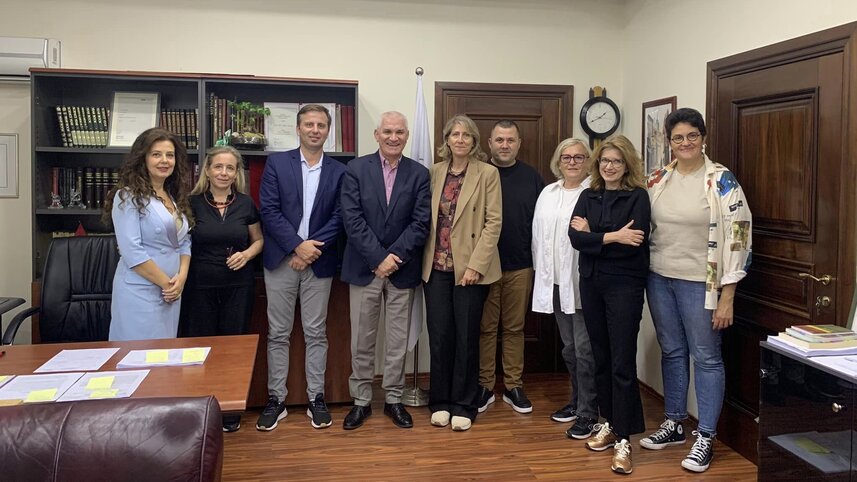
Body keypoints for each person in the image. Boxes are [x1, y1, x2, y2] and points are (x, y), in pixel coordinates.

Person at [640, 107, 752, 473]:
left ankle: (705, 435)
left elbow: (739, 236)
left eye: (692, 136)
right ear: (668, 142)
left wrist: (728, 295)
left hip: (701, 284)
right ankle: (674, 422)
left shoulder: (721, 180)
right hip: (659, 278)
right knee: (672, 351)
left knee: (706, 356)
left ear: (703, 138)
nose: (685, 142)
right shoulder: (657, 178)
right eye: (678, 137)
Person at [256, 104, 345, 431]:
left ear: (328, 131)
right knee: (278, 333)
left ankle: (316, 398)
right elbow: (269, 210)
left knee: (316, 332)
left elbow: (340, 216)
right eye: (309, 124)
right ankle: (276, 399)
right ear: (298, 128)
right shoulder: (277, 163)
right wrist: (297, 245)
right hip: (281, 260)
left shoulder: (340, 171)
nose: (315, 130)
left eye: (321, 125)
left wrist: (309, 251)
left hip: (319, 262)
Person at [339, 111, 431, 430]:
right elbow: (352, 219)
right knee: (362, 340)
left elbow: (421, 222)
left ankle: (393, 399)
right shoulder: (355, 169)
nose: (394, 137)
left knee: (396, 341)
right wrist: (379, 258)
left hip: (402, 270)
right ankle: (361, 400)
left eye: (400, 132)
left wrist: (394, 257)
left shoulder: (419, 174)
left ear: (407, 136)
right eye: (388, 131)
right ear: (377, 134)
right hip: (365, 268)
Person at [569, 135, 650, 475]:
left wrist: (595, 237)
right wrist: (614, 236)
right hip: (591, 284)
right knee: (600, 357)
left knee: (621, 361)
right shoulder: (588, 195)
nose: (610, 166)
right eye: (605, 160)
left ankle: (624, 439)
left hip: (624, 286)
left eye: (616, 161)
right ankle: (610, 423)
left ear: (626, 164)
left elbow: (636, 242)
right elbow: (575, 238)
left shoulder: (638, 196)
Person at [422, 114, 502, 432]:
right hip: (436, 267)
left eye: (466, 135)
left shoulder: (488, 173)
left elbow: (493, 222)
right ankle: (440, 402)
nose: (460, 140)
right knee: (440, 337)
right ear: (446, 139)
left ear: (474, 141)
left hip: (470, 270)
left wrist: (475, 266)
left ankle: (465, 404)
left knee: (467, 338)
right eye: (454, 134)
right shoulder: (435, 172)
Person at [179, 146, 263, 432]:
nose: (224, 173)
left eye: (230, 168)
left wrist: (247, 255)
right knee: (199, 350)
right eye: (218, 167)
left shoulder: (245, 203)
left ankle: (229, 411)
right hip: (200, 286)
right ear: (207, 170)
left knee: (233, 350)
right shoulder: (191, 203)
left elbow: (258, 240)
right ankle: (199, 408)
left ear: (236, 173)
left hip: (238, 287)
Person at [531, 138, 599, 440]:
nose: (572, 162)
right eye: (566, 157)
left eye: (579, 157)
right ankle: (577, 400)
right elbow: (537, 236)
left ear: (588, 161)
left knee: (585, 350)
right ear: (558, 161)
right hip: (555, 282)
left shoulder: (594, 192)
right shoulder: (548, 192)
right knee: (570, 348)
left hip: (582, 283)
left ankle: (589, 413)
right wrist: (541, 275)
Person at [477, 120, 544, 414]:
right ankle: (484, 385)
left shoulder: (532, 178)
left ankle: (513, 385)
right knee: (486, 329)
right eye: (499, 140)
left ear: (519, 144)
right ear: (489, 143)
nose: (505, 145)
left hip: (521, 265)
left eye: (510, 140)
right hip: (484, 266)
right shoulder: (479, 174)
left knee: (515, 328)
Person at [104, 127, 192, 341]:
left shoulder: (172, 195)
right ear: (142, 158)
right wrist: (167, 284)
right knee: (136, 354)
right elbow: (131, 250)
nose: (165, 161)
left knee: (163, 355)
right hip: (140, 291)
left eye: (170, 155)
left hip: (171, 292)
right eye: (156, 154)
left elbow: (183, 242)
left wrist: (181, 278)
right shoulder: (127, 197)